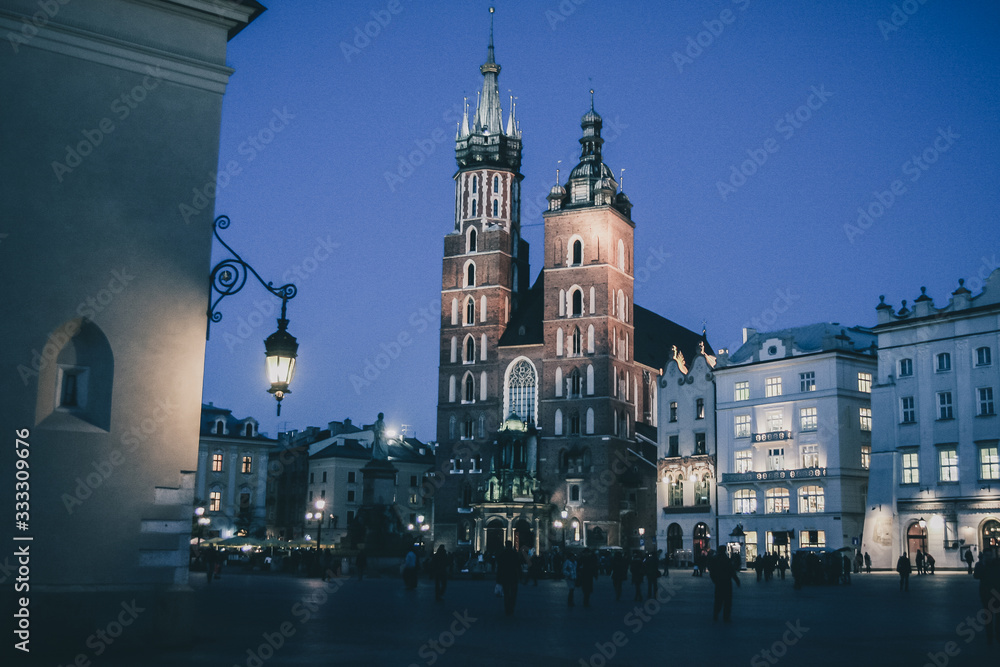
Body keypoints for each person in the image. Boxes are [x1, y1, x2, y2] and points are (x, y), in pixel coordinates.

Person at [973, 548, 1000, 644]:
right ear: (984, 556)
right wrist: (983, 565)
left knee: (998, 616)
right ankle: (990, 636)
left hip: (997, 593)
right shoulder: (980, 565)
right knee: (988, 617)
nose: (989, 557)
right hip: (986, 594)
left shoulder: (996, 563)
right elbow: (976, 576)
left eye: (990, 555)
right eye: (987, 556)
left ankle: (997, 635)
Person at [709, 549, 740, 622]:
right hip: (727, 583)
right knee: (727, 602)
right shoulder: (727, 560)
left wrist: (715, 581)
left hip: (719, 583)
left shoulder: (715, 560)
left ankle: (716, 614)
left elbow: (712, 572)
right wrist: (737, 580)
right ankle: (726, 617)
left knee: (718, 601)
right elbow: (732, 571)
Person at [496, 541, 520, 615]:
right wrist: (521, 576)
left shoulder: (502, 554)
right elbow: (518, 565)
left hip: (505, 576)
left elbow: (499, 567)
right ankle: (511, 607)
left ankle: (507, 608)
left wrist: (498, 578)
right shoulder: (515, 553)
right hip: (513, 576)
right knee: (513, 593)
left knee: (506, 593)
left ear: (505, 545)